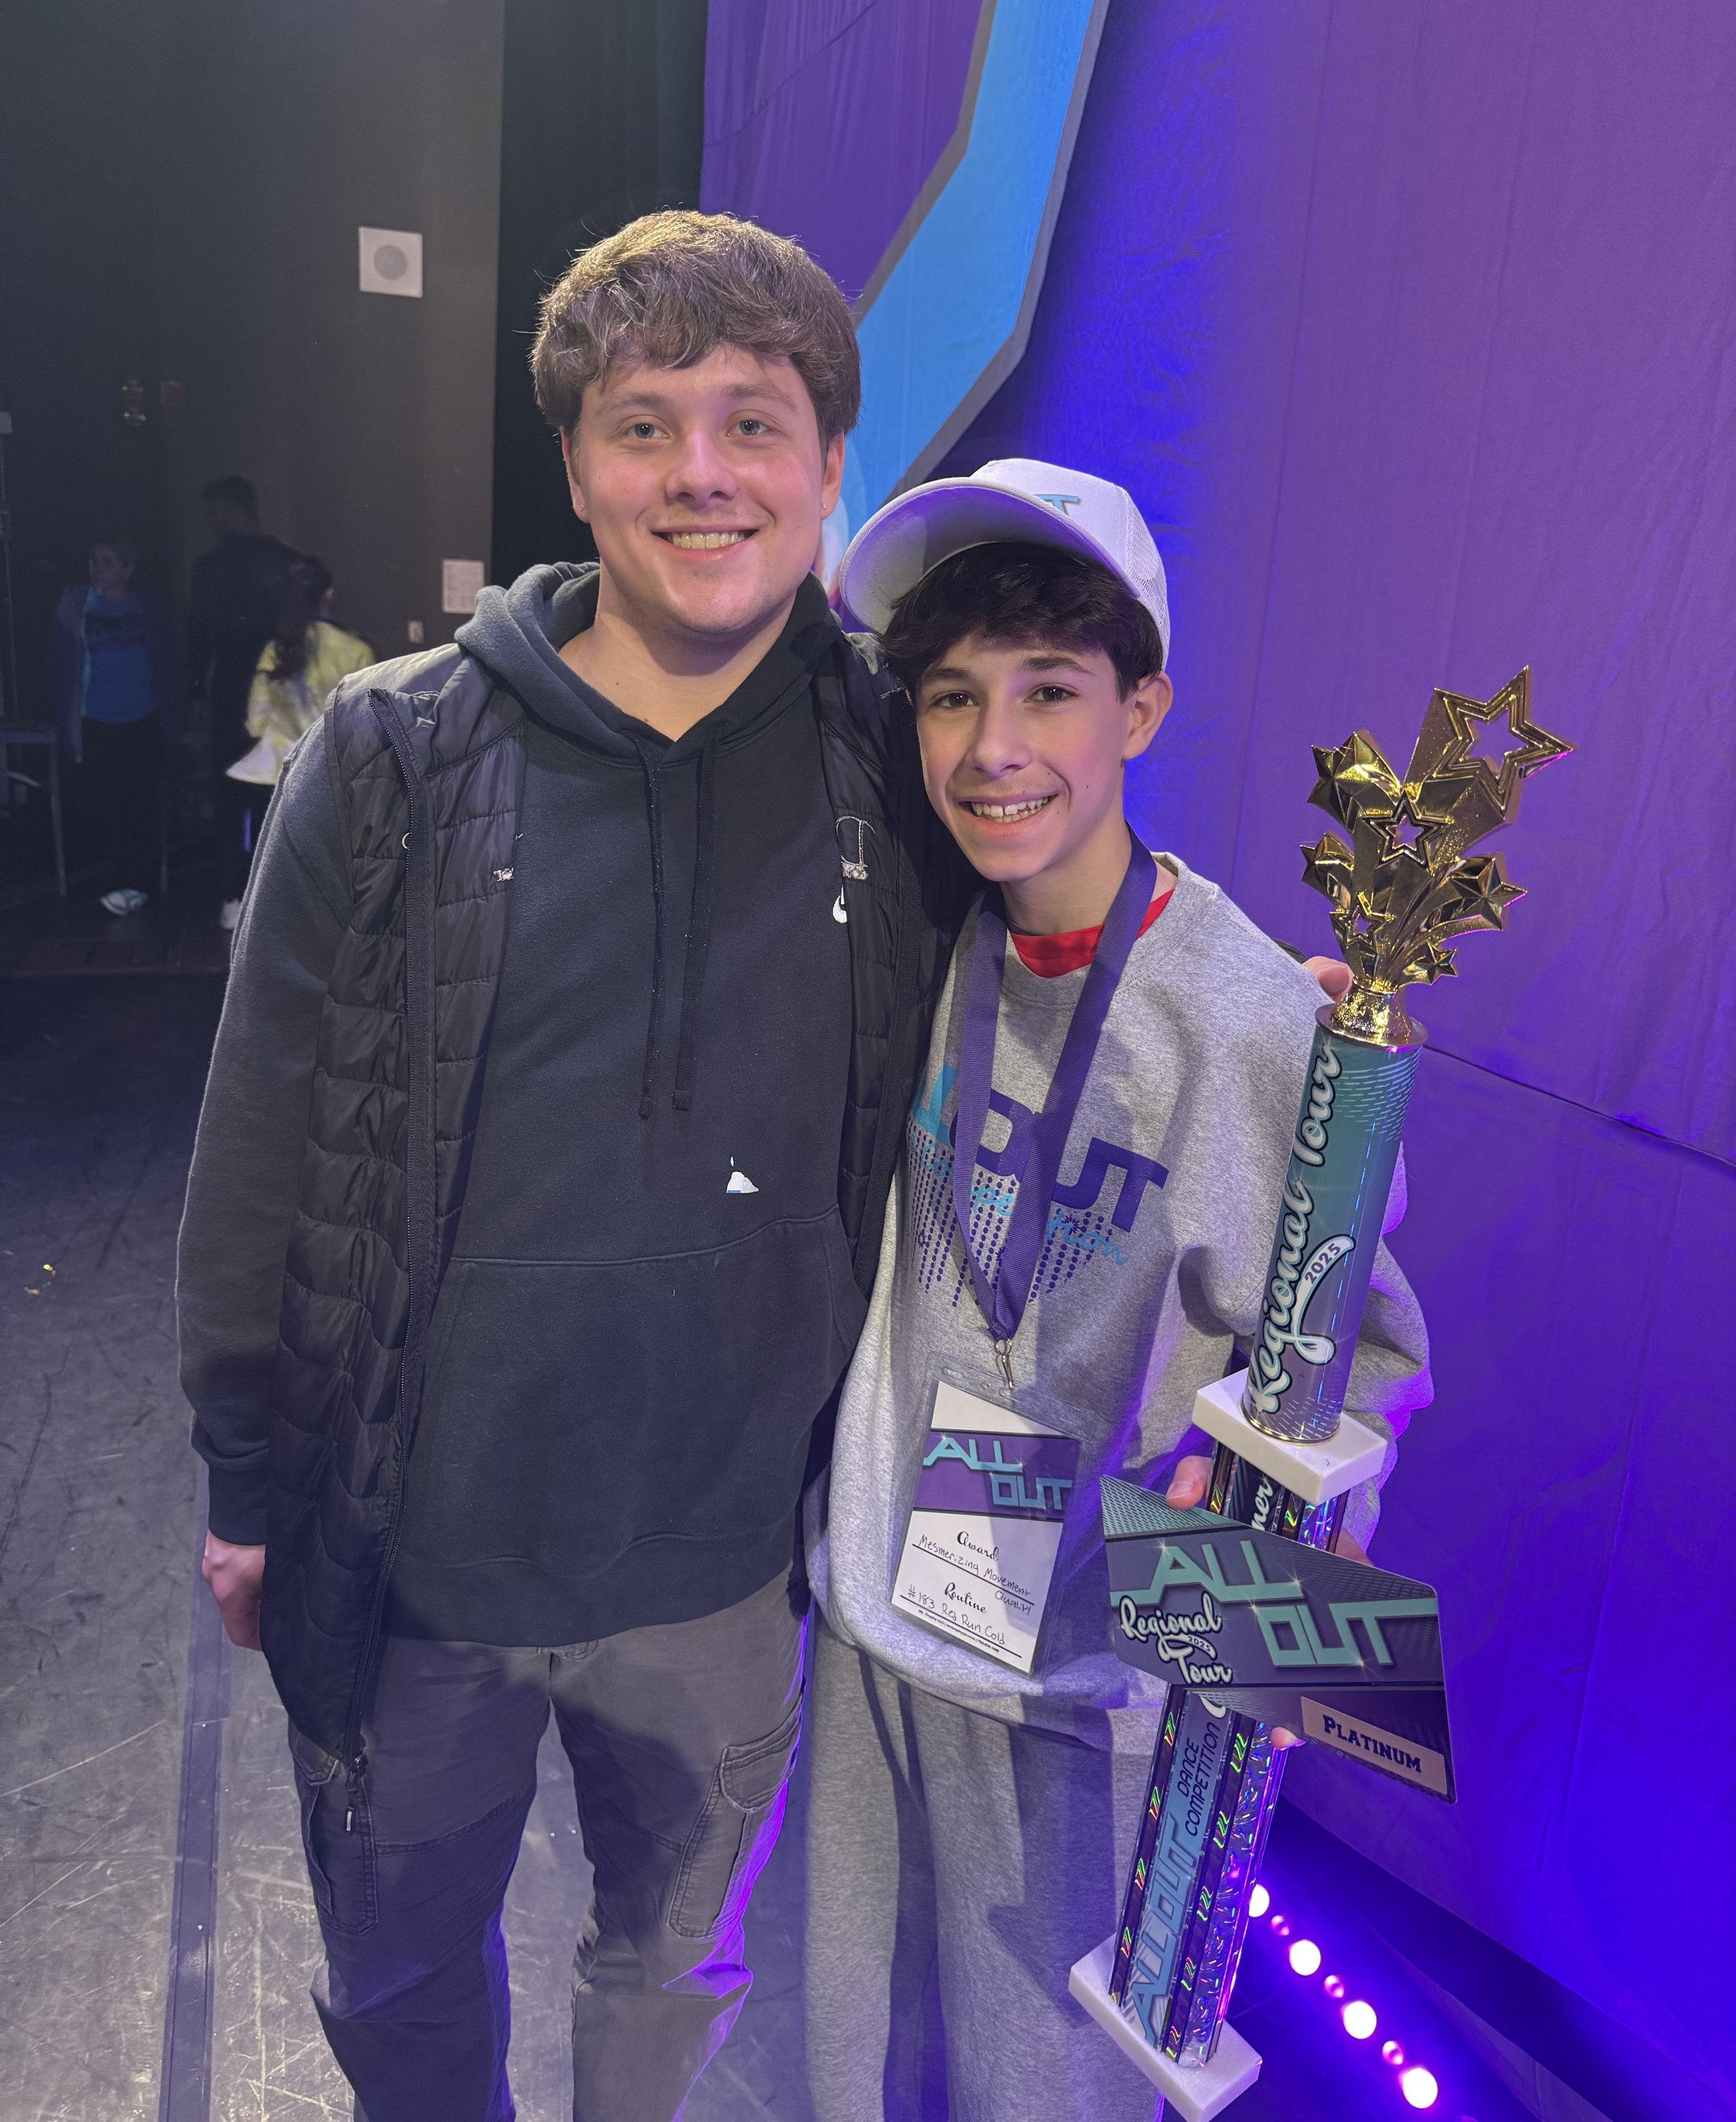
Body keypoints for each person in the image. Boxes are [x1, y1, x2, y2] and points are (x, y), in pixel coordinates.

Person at [177, 214, 1343, 2122]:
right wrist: (246, 1472)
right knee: (397, 1987)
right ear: (577, 465)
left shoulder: (878, 756)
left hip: (740, 1567)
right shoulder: (390, 752)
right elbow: (259, 1138)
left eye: (754, 421)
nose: (700, 471)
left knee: (677, 1996)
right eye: (646, 425)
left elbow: (1056, 811)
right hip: (416, 1555)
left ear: (825, 464)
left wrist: (1279, 1033)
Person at [801, 464, 1430, 2122]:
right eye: (952, 696)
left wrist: (1286, 1586)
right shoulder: (930, 936)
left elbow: (1361, 1356)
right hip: (881, 1617)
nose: (992, 748)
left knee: (1043, 2089)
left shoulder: (1245, 1017)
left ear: (1143, 706)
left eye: (1050, 692)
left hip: (1088, 1694)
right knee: (850, 2060)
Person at [185, 474, 298, 928]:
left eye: (215, 512)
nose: (212, 522)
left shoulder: (213, 568)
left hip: (234, 687)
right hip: (284, 690)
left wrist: (195, 689)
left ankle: (233, 894)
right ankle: (282, 892)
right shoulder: (289, 563)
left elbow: (200, 635)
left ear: (230, 509)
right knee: (281, 789)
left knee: (231, 791)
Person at [51, 533, 183, 915]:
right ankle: (120, 878)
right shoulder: (76, 606)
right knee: (107, 802)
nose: (98, 569)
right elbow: (60, 665)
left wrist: (170, 716)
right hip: (96, 718)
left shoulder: (147, 609)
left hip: (141, 717)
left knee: (140, 800)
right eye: (95, 560)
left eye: (108, 562)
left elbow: (168, 663)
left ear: (127, 569)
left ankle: (139, 881)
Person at [227, 557, 375, 791]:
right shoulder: (357, 651)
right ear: (328, 595)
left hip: (273, 774)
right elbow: (363, 725)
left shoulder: (276, 649)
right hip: (329, 777)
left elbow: (256, 721)